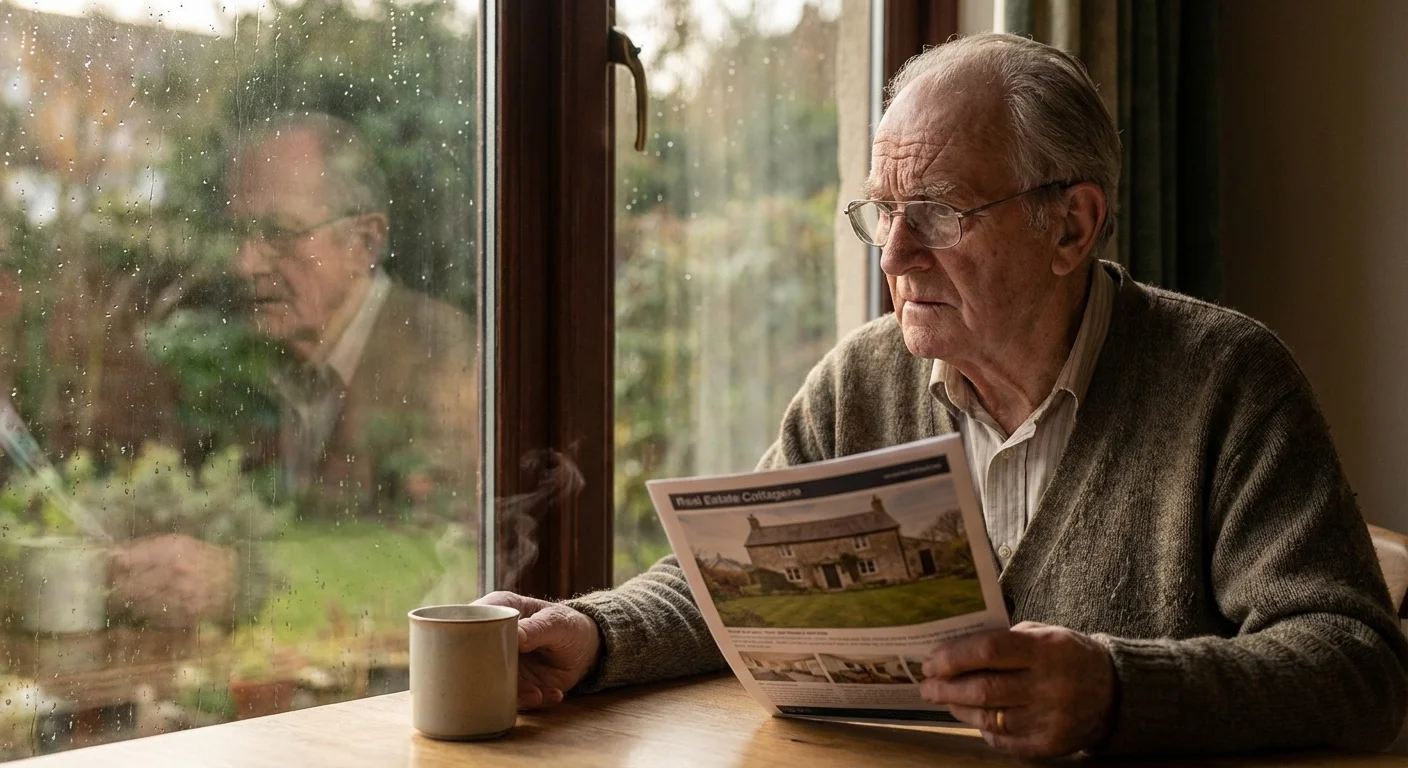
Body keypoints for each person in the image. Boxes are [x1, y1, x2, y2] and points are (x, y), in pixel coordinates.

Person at [476, 33, 1408, 758]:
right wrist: (591, 632)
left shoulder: (1227, 381)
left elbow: (1357, 667)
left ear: (1072, 226)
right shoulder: (862, 379)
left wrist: (1118, 692)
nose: (895, 254)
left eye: (939, 213)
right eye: (884, 212)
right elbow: (737, 588)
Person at [225, 113, 479, 517]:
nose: (245, 264)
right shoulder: (284, 361)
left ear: (363, 244)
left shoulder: (445, 364)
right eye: (240, 234)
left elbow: (450, 552)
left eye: (278, 231)